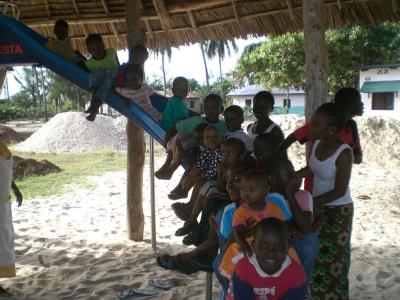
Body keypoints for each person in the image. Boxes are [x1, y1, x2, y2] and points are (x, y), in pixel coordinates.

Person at [293, 102, 354, 299]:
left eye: (316, 125)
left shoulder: (344, 153)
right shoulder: (317, 143)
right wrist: (296, 175)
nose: (311, 128)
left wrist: (311, 201)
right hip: (318, 206)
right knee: (315, 257)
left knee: (334, 263)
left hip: (338, 212)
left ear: (332, 130)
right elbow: (314, 168)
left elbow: (339, 190)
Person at [156, 163, 250, 274]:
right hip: (232, 240)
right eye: (227, 180)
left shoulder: (261, 205)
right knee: (213, 208)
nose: (229, 184)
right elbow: (223, 190)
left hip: (243, 251)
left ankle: (190, 254)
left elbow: (232, 238)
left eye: (237, 179)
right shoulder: (234, 207)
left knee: (216, 214)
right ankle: (195, 253)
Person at [277, 87, 364, 191]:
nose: (362, 105)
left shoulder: (352, 127)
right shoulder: (322, 125)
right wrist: (277, 155)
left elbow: (358, 158)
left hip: (334, 187)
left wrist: (336, 156)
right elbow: (293, 137)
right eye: (359, 101)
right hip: (312, 184)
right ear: (350, 106)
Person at [219, 169, 293, 278]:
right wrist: (244, 245)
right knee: (234, 252)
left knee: (292, 253)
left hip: (270, 244)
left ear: (265, 191)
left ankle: (291, 279)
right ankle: (232, 279)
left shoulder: (274, 208)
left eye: (252, 189)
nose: (246, 193)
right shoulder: (241, 211)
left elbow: (282, 227)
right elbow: (237, 231)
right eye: (243, 189)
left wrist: (289, 235)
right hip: (249, 243)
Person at [263, 158, 320, 285]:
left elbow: (305, 228)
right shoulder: (265, 198)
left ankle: (300, 287)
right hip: (270, 245)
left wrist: (290, 194)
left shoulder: (303, 196)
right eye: (288, 174)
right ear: (272, 180)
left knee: (309, 243)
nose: (294, 177)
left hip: (295, 243)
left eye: (293, 172)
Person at [156, 94, 227, 180]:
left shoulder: (224, 126)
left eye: (214, 108)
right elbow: (176, 127)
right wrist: (166, 139)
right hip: (192, 150)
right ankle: (168, 168)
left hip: (208, 157)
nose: (210, 110)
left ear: (221, 109)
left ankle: (173, 177)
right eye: (207, 108)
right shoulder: (197, 120)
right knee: (180, 141)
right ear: (204, 109)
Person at [232, 218, 307, 300]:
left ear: (287, 247)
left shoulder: (297, 276)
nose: (271, 252)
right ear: (253, 246)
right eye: (264, 246)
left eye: (278, 246)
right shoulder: (242, 270)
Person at [0, 134, 23, 297]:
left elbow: (4, 169)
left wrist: (14, 188)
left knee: (3, 241)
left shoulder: (1, 144)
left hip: (4, 203)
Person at [84, 34, 119, 121]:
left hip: (113, 77)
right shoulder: (89, 63)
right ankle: (93, 104)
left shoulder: (111, 52)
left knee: (105, 83)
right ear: (89, 51)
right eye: (93, 49)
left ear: (103, 46)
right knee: (96, 74)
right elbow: (92, 77)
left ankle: (94, 110)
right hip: (99, 81)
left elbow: (117, 61)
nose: (97, 51)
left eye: (99, 48)